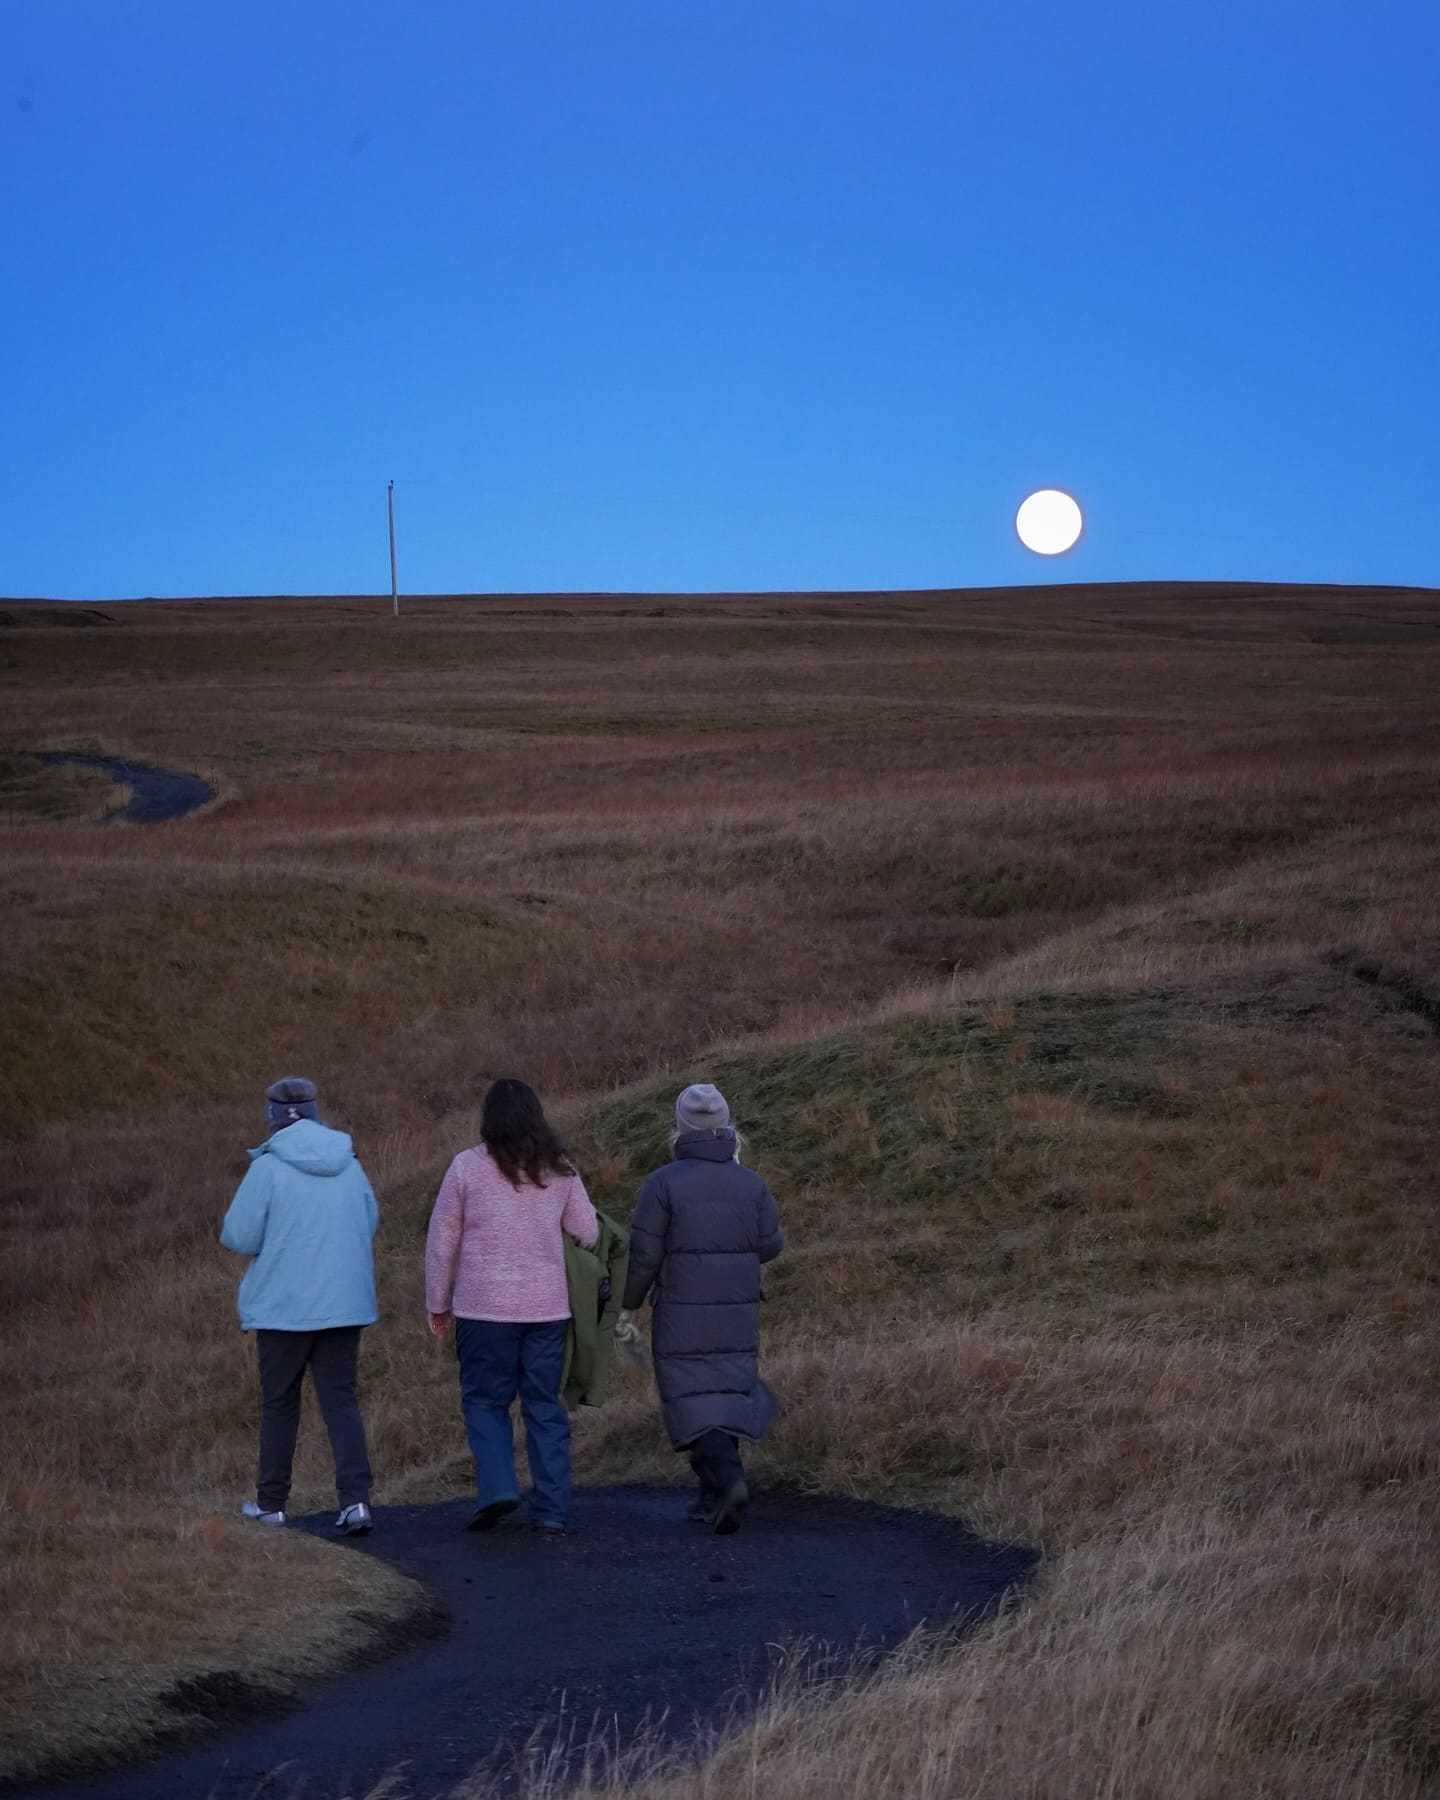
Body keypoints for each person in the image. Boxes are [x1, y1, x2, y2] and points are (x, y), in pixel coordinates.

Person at [425, 1077, 599, 1534]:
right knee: (544, 1404)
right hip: (547, 1310)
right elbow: (588, 1231)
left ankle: (499, 1487)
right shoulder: (560, 1170)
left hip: (483, 1311)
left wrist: (437, 1303)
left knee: (485, 1401)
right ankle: (553, 1510)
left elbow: (442, 1242)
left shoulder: (465, 1167)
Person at [220, 1076, 379, 1535]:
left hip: (282, 1306)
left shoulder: (267, 1168)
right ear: (315, 1111)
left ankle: (272, 1505)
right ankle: (356, 1502)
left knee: (279, 1404)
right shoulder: (348, 1161)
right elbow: (369, 1219)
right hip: (344, 1302)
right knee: (341, 1401)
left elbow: (239, 1235)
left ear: (272, 1116)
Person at [624, 1082, 783, 1535]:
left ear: (681, 1128)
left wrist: (629, 1300)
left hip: (680, 1308)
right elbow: (771, 1244)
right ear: (726, 1126)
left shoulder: (662, 1184)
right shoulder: (751, 1185)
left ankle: (728, 1481)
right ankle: (710, 1495)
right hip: (737, 1306)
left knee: (691, 1394)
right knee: (727, 1388)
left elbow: (643, 1255)